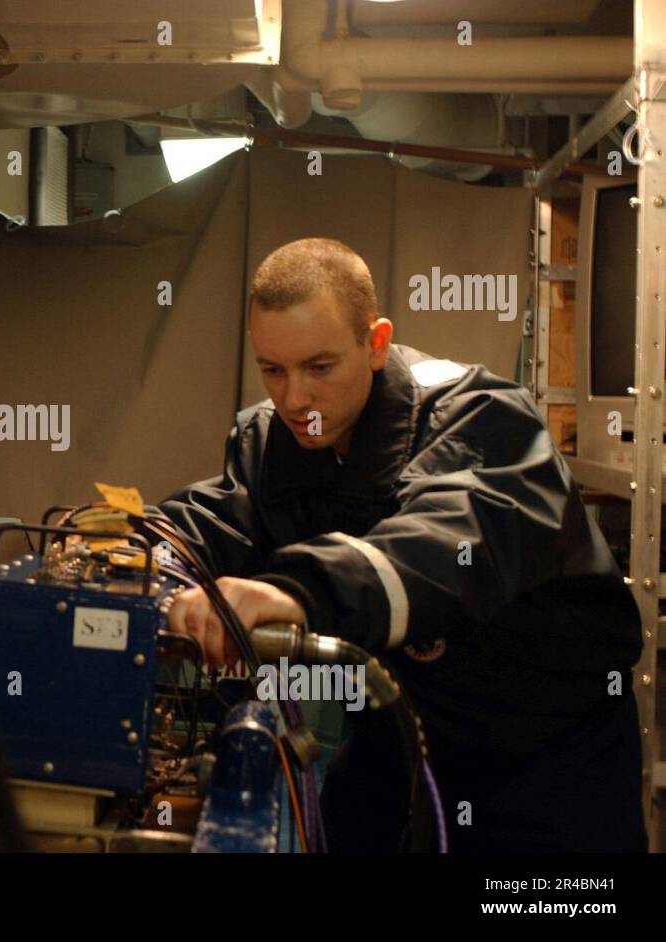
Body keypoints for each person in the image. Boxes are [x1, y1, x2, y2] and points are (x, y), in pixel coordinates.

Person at [160, 237, 646, 852]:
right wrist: (136, 549)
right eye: (272, 369)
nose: (293, 399)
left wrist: (301, 591)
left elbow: (450, 534)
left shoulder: (479, 414)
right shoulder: (269, 441)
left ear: (376, 343)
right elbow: (223, 519)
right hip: (403, 735)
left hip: (548, 756)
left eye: (319, 367)